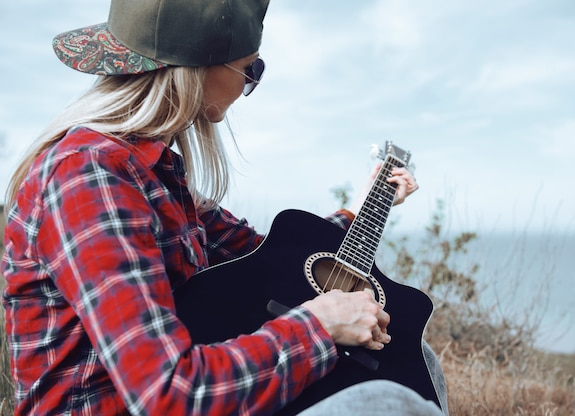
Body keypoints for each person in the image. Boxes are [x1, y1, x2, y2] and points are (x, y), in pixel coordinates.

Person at [1, 0, 447, 415]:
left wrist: (364, 206)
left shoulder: (153, 173)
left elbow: (276, 258)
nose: (249, 82)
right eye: (251, 67)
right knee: (386, 400)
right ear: (201, 69)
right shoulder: (91, 177)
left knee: (413, 355)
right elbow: (168, 392)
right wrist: (320, 324)